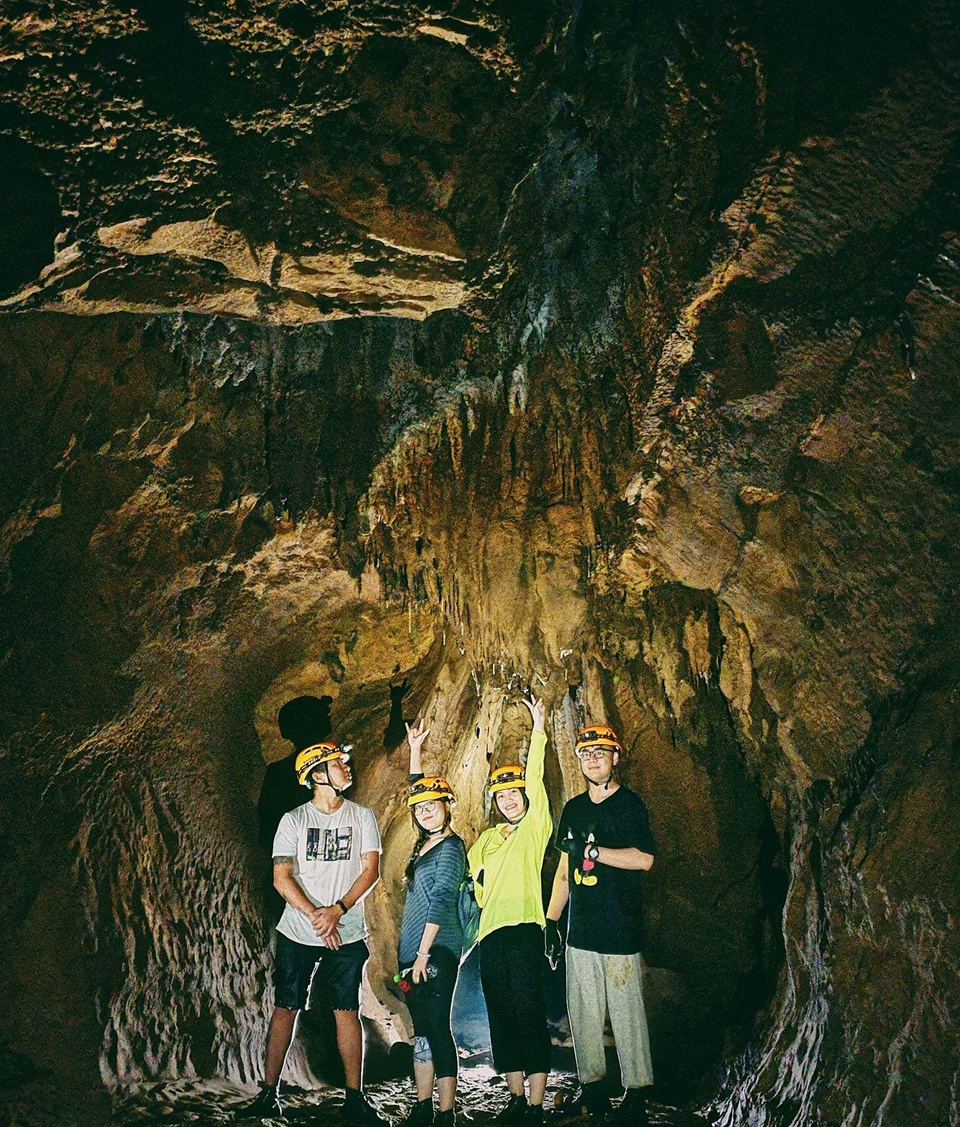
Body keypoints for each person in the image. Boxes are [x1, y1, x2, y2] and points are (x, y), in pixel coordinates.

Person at [236, 740, 386, 1124]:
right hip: (299, 930)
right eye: (339, 763)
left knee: (346, 1010)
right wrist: (316, 915)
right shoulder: (293, 821)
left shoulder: (362, 817)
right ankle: (269, 1093)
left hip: (347, 929)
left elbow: (370, 871)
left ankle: (355, 1097)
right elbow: (281, 877)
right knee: (285, 1006)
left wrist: (337, 911)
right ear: (319, 775)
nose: (347, 767)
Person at [545, 723, 656, 1126]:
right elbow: (563, 869)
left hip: (620, 927)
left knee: (627, 1012)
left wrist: (592, 849)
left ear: (615, 757)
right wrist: (552, 922)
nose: (593, 759)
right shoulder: (573, 808)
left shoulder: (630, 805)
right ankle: (592, 1089)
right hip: (581, 930)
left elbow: (643, 859)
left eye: (600, 753)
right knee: (584, 1013)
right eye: (586, 754)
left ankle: (637, 1093)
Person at [467, 695, 553, 1126]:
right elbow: (469, 879)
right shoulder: (487, 838)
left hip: (524, 929)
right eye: (501, 797)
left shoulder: (534, 831)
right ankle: (516, 1096)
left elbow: (536, 782)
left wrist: (539, 729)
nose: (509, 801)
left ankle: (537, 1103)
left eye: (514, 795)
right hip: (490, 934)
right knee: (499, 1012)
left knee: (528, 1009)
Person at [397, 719, 468, 1127]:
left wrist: (424, 953)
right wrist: (415, 750)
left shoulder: (452, 848)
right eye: (420, 809)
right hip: (411, 952)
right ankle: (422, 1104)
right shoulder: (423, 844)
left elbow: (442, 900)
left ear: (447, 806)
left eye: (432, 805)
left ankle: (445, 1112)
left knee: (437, 1025)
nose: (425, 812)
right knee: (420, 1026)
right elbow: (416, 791)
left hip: (436, 950)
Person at [258, 694, 334, 922]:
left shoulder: (277, 773)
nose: (328, 716)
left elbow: (266, 832)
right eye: (322, 714)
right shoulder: (334, 771)